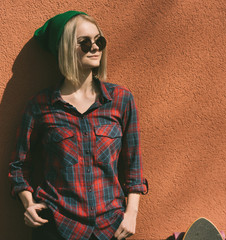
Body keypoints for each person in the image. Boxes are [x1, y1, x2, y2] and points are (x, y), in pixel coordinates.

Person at [8, 11, 148, 240]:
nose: (95, 48)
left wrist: (131, 213)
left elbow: (133, 166)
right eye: (84, 42)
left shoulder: (121, 99)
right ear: (65, 49)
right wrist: (28, 204)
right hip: (57, 225)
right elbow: (18, 166)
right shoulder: (41, 105)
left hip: (110, 227)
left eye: (99, 41)